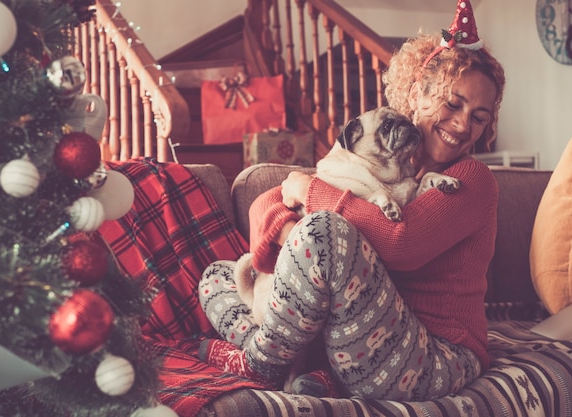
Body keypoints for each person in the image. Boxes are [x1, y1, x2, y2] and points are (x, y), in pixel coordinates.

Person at [198, 0, 506, 403]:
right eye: (453, 103)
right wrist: (297, 236)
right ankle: (305, 367)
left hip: (431, 354)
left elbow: (401, 244)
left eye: (479, 117)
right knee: (218, 276)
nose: (464, 124)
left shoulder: (472, 179)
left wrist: (308, 208)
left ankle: (260, 361)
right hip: (352, 338)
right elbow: (266, 203)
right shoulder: (380, 158)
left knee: (326, 231)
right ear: (417, 93)